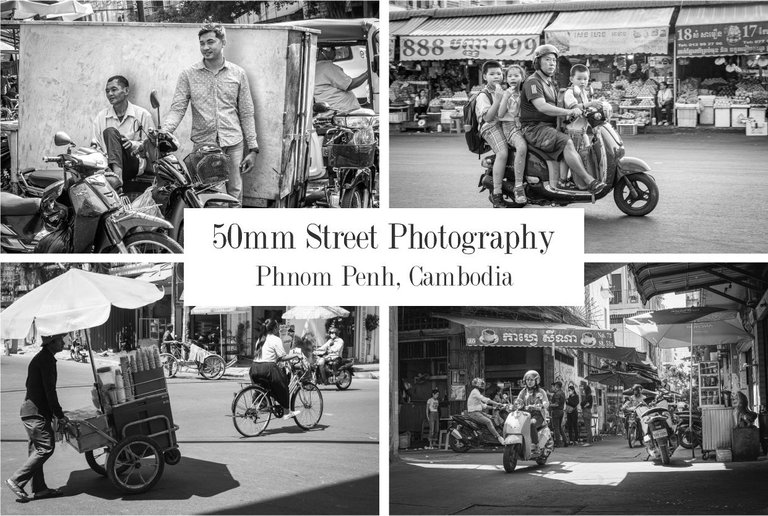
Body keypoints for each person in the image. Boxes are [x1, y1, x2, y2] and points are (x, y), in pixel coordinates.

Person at [163, 22, 259, 203]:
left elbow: (246, 112)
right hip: (204, 146)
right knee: (211, 195)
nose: (205, 47)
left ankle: (233, 229)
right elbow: (178, 108)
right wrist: (165, 131)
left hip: (233, 143)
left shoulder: (238, 73)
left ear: (223, 42)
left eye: (210, 42)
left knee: (235, 191)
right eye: (202, 43)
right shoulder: (188, 74)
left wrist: (253, 149)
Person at [520, 44, 605, 194]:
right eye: (547, 60)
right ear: (537, 62)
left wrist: (584, 108)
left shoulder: (550, 83)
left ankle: (568, 179)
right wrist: (569, 111)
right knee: (567, 142)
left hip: (548, 126)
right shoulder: (533, 82)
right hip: (535, 128)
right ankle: (589, 181)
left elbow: (564, 104)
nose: (552, 63)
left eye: (554, 60)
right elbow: (542, 107)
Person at [6, 334, 68, 502]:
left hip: (32, 411)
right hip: (35, 413)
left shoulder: (42, 358)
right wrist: (59, 414)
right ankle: (16, 480)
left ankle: (40, 489)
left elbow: (32, 385)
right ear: (51, 343)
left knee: (36, 450)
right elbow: (50, 391)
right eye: (60, 340)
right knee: (46, 447)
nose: (63, 342)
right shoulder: (45, 360)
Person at [91, 75, 154, 189]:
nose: (110, 94)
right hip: (107, 167)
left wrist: (132, 144)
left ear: (126, 91)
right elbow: (96, 147)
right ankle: (114, 174)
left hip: (132, 163)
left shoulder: (142, 115)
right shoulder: (101, 117)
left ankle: (117, 177)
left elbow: (152, 146)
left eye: (114, 89)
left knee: (110, 132)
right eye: (107, 91)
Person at [474, 61, 513, 208]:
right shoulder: (483, 96)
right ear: (485, 76)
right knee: (503, 153)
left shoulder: (504, 90)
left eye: (499, 73)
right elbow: (488, 118)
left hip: (503, 124)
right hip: (489, 127)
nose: (496, 76)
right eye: (492, 74)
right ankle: (497, 194)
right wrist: (497, 99)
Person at [249, 319, 300, 419]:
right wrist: (296, 355)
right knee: (283, 385)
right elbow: (282, 357)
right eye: (278, 326)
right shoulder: (275, 339)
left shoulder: (260, 339)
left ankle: (262, 403)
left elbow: (268, 356)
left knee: (265, 387)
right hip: (267, 368)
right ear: (275, 328)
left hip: (254, 368)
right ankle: (286, 412)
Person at [497, 64, 529, 206]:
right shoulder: (506, 93)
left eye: (516, 75)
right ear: (506, 78)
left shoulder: (524, 93)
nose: (513, 78)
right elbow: (500, 114)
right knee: (521, 147)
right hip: (509, 127)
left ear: (522, 78)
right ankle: (518, 186)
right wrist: (506, 97)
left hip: (524, 126)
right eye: (510, 76)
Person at [560, 64, 592, 188]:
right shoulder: (570, 92)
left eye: (585, 79)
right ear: (571, 79)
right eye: (579, 78)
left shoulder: (583, 92)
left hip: (581, 131)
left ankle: (575, 179)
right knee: (569, 158)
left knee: (580, 156)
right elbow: (574, 107)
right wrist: (590, 104)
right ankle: (562, 180)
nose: (582, 81)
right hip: (572, 131)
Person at [315, 46, 369, 113]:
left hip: (334, 109)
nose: (335, 52)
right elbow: (350, 85)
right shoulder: (327, 67)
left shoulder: (317, 67)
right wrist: (368, 73)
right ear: (324, 51)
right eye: (333, 50)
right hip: (341, 110)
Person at [516, 370, 550, 451]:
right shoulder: (523, 392)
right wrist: (514, 405)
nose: (529, 382)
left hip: (537, 415)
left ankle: (535, 444)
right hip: (524, 414)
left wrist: (542, 405)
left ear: (536, 381)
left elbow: (546, 402)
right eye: (527, 380)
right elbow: (518, 401)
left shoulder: (541, 391)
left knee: (531, 424)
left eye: (531, 380)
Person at [467, 378, 505, 445]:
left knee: (492, 418)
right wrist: (496, 403)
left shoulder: (476, 392)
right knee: (488, 421)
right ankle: (498, 437)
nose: (483, 387)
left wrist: (494, 407)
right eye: (482, 385)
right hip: (474, 413)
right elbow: (485, 399)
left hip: (479, 412)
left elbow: (484, 406)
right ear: (478, 385)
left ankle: (490, 436)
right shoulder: (475, 391)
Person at [549, 381, 569, 447]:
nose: (553, 387)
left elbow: (556, 404)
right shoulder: (562, 393)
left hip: (556, 412)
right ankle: (565, 441)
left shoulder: (557, 394)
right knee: (560, 427)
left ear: (556, 386)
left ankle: (558, 443)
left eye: (554, 386)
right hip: (561, 411)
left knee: (556, 428)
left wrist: (550, 404)